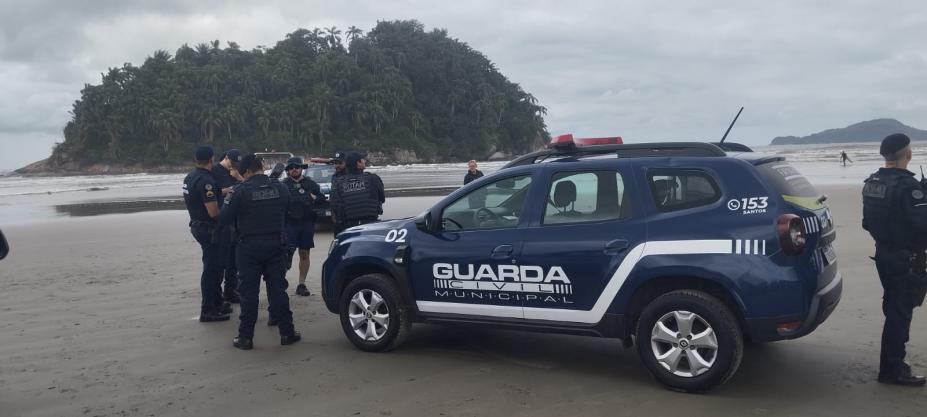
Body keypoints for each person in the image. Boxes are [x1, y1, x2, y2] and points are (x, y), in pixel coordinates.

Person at [862, 133, 927, 386]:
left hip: (884, 255)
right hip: (904, 258)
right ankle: (892, 371)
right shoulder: (907, 186)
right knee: (900, 314)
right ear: (907, 154)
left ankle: (892, 365)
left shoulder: (872, 182)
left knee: (894, 310)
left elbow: (867, 223)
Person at [219, 154, 301, 350]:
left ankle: (245, 337)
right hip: (275, 245)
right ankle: (287, 333)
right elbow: (290, 209)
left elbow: (224, 217)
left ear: (246, 171)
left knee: (248, 294)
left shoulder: (239, 191)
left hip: (248, 247)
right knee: (278, 291)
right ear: (261, 167)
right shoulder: (280, 188)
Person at [182, 146, 230, 322]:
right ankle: (208, 309)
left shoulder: (191, 177)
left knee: (215, 266)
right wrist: (229, 210)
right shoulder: (206, 181)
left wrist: (229, 190)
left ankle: (217, 303)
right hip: (209, 228)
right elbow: (213, 212)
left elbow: (206, 195)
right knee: (212, 269)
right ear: (212, 159)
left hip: (197, 225)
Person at [281, 157, 326, 297]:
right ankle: (279, 281)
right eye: (291, 167)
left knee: (304, 253)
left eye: (297, 166)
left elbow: (322, 198)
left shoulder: (311, 184)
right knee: (286, 254)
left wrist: (315, 198)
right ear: (288, 170)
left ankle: (301, 284)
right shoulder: (283, 185)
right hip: (289, 224)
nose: (294, 169)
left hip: (306, 223)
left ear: (301, 168)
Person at [212, 149, 243, 303]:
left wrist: (238, 177)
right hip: (221, 219)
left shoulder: (235, 172)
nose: (234, 166)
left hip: (234, 220)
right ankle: (220, 295)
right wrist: (231, 189)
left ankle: (231, 291)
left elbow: (246, 187)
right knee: (222, 260)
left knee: (233, 260)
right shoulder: (215, 171)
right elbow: (214, 192)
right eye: (232, 162)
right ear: (225, 158)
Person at [330, 151, 385, 235]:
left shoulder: (339, 182)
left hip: (348, 228)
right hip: (370, 226)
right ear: (358, 163)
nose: (364, 161)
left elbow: (335, 205)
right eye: (362, 160)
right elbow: (382, 198)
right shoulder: (373, 179)